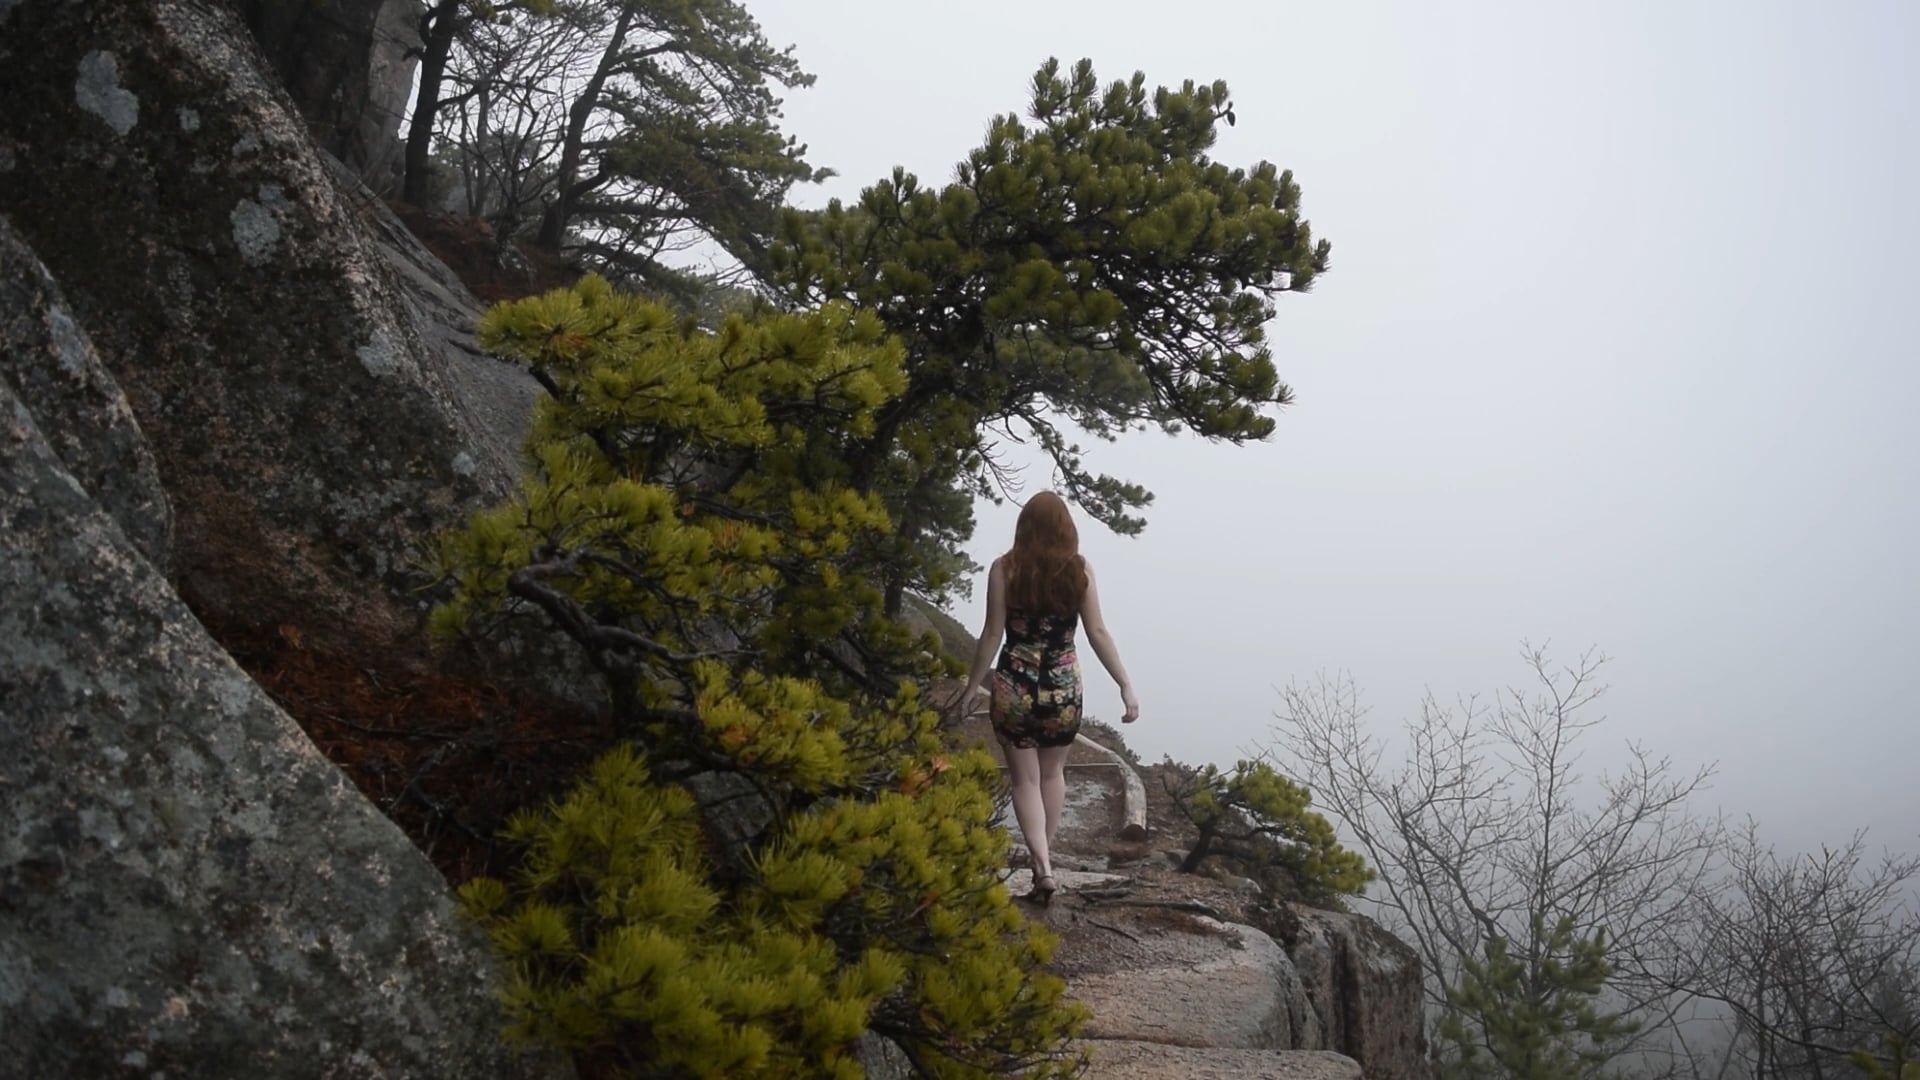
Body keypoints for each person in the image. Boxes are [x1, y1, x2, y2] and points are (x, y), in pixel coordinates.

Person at [963, 491, 1139, 907]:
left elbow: (992, 633)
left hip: (1014, 687)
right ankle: (1047, 864)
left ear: (1023, 526)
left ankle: (1041, 866)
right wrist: (1125, 684)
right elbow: (1097, 632)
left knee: (1023, 780)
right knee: (1052, 776)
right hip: (1062, 688)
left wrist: (972, 686)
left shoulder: (1004, 569)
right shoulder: (1079, 571)